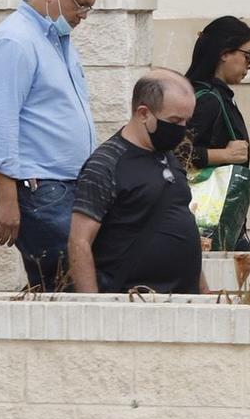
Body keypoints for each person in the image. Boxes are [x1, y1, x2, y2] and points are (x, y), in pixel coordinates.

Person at [0, 0, 98, 290]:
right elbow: (0, 120)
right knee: (71, 281)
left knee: (63, 284)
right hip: (38, 188)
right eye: (80, 5)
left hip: (65, 187)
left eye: (89, 8)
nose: (83, 16)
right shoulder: (14, 40)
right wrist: (6, 198)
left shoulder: (56, 41)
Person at [68, 70, 209, 295]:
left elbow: (181, 221)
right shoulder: (106, 164)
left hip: (183, 304)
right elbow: (79, 242)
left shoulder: (169, 158)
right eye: (174, 120)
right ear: (143, 113)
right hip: (133, 304)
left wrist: (204, 291)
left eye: (186, 120)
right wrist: (93, 307)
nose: (181, 129)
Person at [184, 16, 250, 250]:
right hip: (207, 221)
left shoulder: (210, 95)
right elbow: (175, 154)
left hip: (210, 221)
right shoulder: (208, 100)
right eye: (248, 56)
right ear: (225, 53)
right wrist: (224, 156)